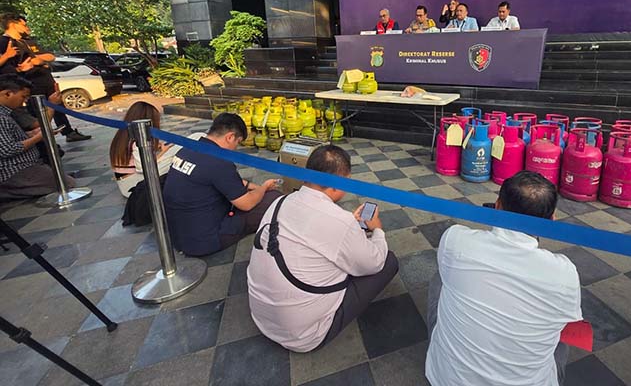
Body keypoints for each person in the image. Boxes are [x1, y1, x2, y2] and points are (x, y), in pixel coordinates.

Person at [426, 171, 582, 386]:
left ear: (497, 206)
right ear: (552, 220)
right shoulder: (565, 274)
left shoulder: (456, 239)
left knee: (440, 278)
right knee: (564, 331)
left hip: (445, 380)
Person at [248, 144, 398, 352]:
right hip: (303, 336)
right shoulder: (340, 221)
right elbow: (373, 263)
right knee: (387, 261)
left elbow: (311, 230)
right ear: (336, 184)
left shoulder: (280, 202)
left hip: (262, 316)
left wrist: (349, 228)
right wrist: (378, 231)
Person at [162, 113, 282, 256]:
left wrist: (253, 187)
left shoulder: (188, 150)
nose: (236, 148)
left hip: (179, 236)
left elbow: (220, 179)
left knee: (257, 194)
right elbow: (247, 203)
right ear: (230, 137)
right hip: (205, 240)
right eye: (237, 142)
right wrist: (264, 187)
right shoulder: (218, 161)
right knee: (274, 199)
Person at [0, 14, 90, 142]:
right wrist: (19, 68)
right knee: (36, 116)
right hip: (30, 86)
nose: (27, 27)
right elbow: (8, 69)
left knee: (57, 109)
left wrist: (39, 60)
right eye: (23, 25)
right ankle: (44, 143)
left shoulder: (26, 41)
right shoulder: (4, 43)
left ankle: (65, 132)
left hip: (45, 81)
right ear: (13, 24)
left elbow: (50, 56)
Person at [0, 74, 75, 201]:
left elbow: (8, 137)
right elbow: (7, 149)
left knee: (62, 179)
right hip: (14, 170)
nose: (24, 102)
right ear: (7, 94)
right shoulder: (2, 117)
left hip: (28, 164)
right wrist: (40, 136)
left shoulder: (6, 113)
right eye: (23, 97)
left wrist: (32, 134)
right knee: (67, 184)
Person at [110, 101, 204, 198]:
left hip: (128, 183)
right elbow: (144, 167)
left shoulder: (123, 135)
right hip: (135, 185)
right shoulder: (136, 140)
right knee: (191, 142)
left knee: (185, 145)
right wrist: (164, 151)